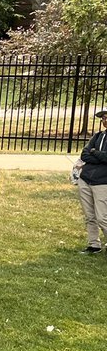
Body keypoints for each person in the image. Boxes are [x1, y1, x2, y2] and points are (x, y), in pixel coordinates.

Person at [75, 108, 107, 253]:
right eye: (103, 118)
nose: (105, 120)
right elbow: (85, 154)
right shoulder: (98, 136)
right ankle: (94, 244)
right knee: (89, 216)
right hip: (86, 179)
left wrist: (95, 153)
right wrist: (96, 154)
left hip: (102, 182)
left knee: (102, 217)